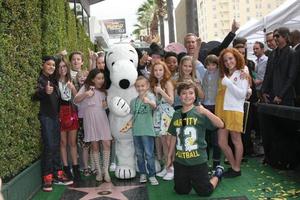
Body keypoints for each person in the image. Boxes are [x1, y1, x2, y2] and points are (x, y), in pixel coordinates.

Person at [166, 80, 224, 197]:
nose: (187, 96)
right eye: (184, 93)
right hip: (181, 161)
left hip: (198, 160)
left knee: (205, 192)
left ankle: (217, 174)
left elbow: (221, 124)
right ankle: (193, 180)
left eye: (191, 93)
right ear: (179, 95)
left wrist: (206, 111)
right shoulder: (176, 114)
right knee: (181, 191)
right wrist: (169, 156)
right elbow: (173, 135)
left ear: (195, 95)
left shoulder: (200, 113)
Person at [32, 56, 73, 192]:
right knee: (49, 146)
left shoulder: (53, 79)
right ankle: (47, 178)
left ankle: (58, 174)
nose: (52, 67)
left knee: (55, 146)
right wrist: (44, 92)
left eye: (53, 65)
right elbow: (35, 95)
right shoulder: (41, 79)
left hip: (55, 117)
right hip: (46, 117)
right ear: (42, 65)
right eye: (49, 64)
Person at [216, 48, 249, 178]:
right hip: (222, 111)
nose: (228, 62)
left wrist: (228, 83)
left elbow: (241, 94)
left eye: (230, 58)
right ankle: (234, 165)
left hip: (234, 110)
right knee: (221, 142)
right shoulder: (225, 74)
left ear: (236, 58)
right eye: (225, 60)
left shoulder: (242, 73)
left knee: (236, 140)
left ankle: (236, 168)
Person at [74, 68, 112, 182]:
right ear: (92, 79)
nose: (101, 80)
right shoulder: (85, 88)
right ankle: (99, 171)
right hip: (90, 117)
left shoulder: (104, 91)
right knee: (94, 145)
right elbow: (76, 100)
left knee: (106, 142)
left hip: (102, 117)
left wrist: (105, 105)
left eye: (102, 78)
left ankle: (106, 171)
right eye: (98, 78)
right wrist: (86, 94)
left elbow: (104, 107)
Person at [121, 76, 159, 185]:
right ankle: (143, 173)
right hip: (136, 132)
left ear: (147, 86)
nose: (140, 88)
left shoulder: (151, 96)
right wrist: (128, 125)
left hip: (147, 131)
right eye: (138, 86)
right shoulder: (133, 101)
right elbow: (134, 116)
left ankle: (151, 175)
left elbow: (154, 106)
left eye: (142, 86)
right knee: (139, 154)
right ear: (135, 87)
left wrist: (148, 102)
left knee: (149, 154)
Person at [55, 56, 81, 181]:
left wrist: (73, 89)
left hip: (71, 112)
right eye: (59, 67)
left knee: (72, 142)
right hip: (60, 113)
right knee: (63, 143)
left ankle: (76, 168)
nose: (62, 69)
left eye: (64, 66)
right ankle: (66, 168)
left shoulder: (72, 79)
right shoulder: (54, 82)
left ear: (67, 67)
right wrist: (59, 54)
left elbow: (78, 98)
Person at [149, 61, 175, 180]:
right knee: (164, 142)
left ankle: (172, 167)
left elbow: (171, 101)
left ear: (164, 71)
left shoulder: (167, 83)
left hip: (167, 114)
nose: (158, 72)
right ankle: (166, 165)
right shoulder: (155, 83)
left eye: (160, 70)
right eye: (155, 70)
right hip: (159, 114)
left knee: (169, 143)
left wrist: (161, 91)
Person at [262, 27, 298, 106]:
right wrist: (264, 91)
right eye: (274, 36)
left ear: (285, 37)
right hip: (271, 95)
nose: (275, 38)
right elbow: (267, 74)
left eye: (277, 36)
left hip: (286, 97)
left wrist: (280, 95)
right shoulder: (272, 54)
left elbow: (291, 77)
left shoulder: (292, 53)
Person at [202, 55, 221, 168]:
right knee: (205, 137)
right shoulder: (205, 74)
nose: (210, 67)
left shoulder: (219, 73)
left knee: (216, 138)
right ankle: (204, 161)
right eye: (208, 64)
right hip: (205, 106)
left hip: (215, 106)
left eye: (213, 64)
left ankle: (216, 162)